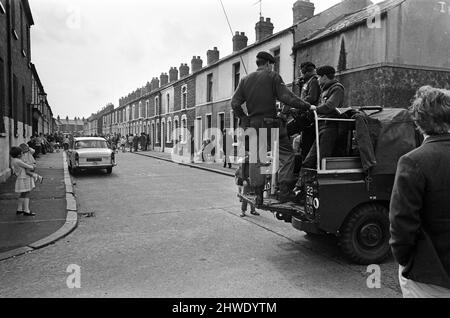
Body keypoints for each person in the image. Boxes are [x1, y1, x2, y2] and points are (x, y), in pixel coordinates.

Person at [390, 86, 450, 298]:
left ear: (419, 121)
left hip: (430, 276)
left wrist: (406, 260)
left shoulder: (413, 161)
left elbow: (401, 224)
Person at [231, 51, 314, 204]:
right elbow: (287, 97)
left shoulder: (244, 80)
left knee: (257, 158)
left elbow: (234, 104)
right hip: (270, 124)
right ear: (269, 64)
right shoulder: (272, 76)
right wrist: (307, 105)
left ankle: (258, 195)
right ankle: (284, 191)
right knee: (286, 155)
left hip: (253, 126)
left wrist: (244, 117)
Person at [10, 147, 39, 216]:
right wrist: (33, 166)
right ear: (19, 155)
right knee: (27, 193)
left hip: (21, 177)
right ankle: (26, 210)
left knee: (23, 194)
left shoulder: (14, 160)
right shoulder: (18, 161)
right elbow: (29, 167)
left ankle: (19, 209)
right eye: (21, 153)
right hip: (24, 178)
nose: (22, 153)